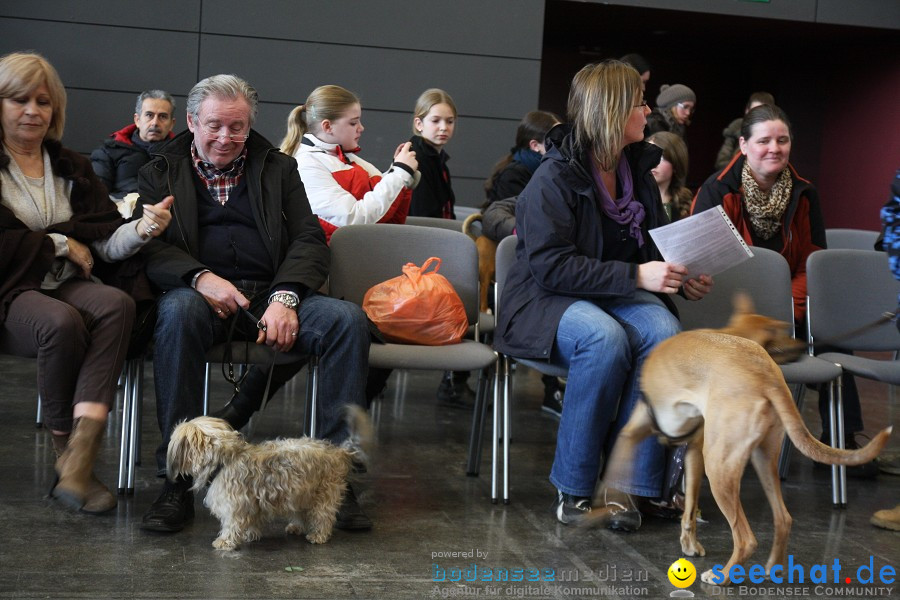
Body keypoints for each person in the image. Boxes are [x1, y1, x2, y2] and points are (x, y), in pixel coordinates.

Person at [136, 74, 373, 533]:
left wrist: (285, 297)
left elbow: (309, 238)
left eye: (238, 127)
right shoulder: (158, 170)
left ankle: (338, 479)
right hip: (199, 294)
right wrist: (202, 278)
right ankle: (178, 481)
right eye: (215, 126)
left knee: (347, 320)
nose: (226, 138)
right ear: (191, 121)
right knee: (176, 312)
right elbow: (152, 247)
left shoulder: (278, 167)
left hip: (271, 291)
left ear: (250, 126)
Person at [494, 60, 712, 531]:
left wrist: (680, 274)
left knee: (665, 331)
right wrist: (638, 277)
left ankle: (628, 484)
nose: (648, 109)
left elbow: (650, 245)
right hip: (543, 299)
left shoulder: (637, 167)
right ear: (612, 111)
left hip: (608, 289)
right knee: (604, 338)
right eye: (639, 102)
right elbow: (551, 266)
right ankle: (573, 489)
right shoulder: (553, 178)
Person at [0, 51, 172, 514]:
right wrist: (57, 244)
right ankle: (64, 452)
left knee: (117, 304)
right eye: (19, 100)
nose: (33, 111)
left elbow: (99, 242)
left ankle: (82, 451)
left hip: (61, 281)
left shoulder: (71, 167)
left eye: (43, 101)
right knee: (61, 322)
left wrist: (142, 228)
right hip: (10, 289)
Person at [692, 104, 872, 475]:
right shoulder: (716, 190)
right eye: (763, 141)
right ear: (743, 145)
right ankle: (728, 441)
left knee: (834, 341)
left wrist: (789, 308)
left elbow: (813, 260)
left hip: (791, 307)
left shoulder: (805, 194)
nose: (774, 148)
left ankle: (840, 441)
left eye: (782, 140)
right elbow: (703, 261)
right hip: (731, 309)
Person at [482, 109, 565, 417]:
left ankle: (554, 389)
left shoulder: (547, 172)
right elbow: (501, 217)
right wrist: (532, 233)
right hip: (512, 271)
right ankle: (552, 390)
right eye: (555, 140)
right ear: (535, 145)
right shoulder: (517, 175)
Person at [281, 84, 419, 243]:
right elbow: (353, 221)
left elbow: (382, 209)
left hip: (365, 254)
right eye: (353, 123)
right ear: (327, 126)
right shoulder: (305, 165)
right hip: (335, 263)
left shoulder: (348, 158)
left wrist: (397, 171)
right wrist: (400, 173)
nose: (361, 128)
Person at [90, 90, 176, 198]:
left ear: (172, 124)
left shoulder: (184, 155)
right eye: (149, 115)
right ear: (137, 120)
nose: (155, 123)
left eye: (162, 116)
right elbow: (96, 196)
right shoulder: (109, 151)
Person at [408, 88, 456, 219]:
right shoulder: (415, 159)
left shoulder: (439, 160)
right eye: (435, 121)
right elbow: (423, 216)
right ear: (419, 124)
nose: (444, 127)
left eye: (450, 121)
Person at [713, 91, 774, 171]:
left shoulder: (776, 131)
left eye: (762, 113)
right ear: (747, 111)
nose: (756, 117)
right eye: (753, 111)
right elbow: (721, 162)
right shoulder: (737, 127)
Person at [647, 131, 691, 222]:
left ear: (676, 163)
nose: (653, 163)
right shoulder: (632, 199)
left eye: (661, 157)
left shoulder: (685, 203)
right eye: (648, 155)